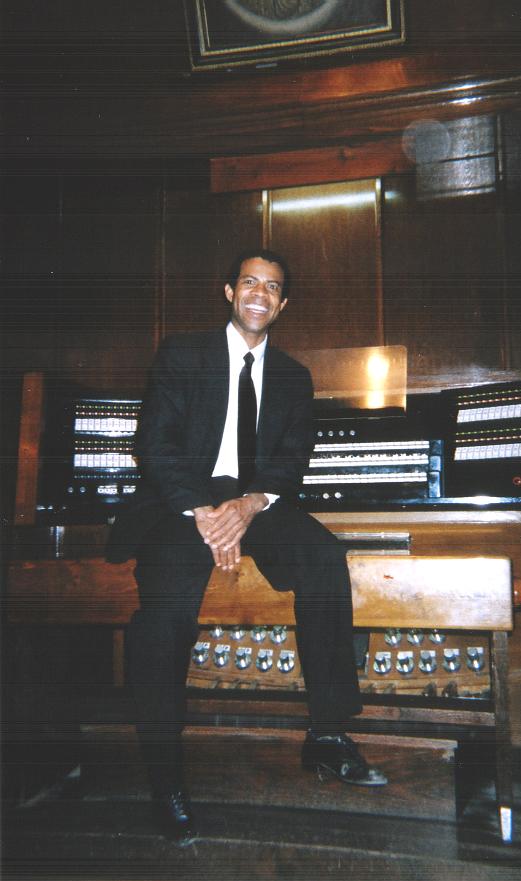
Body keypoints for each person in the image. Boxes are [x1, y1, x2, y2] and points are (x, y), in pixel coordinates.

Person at [106, 248, 387, 845]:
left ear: (283, 304)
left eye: (273, 287)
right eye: (250, 282)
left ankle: (327, 732)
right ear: (230, 292)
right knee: (163, 611)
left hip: (254, 504)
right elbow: (154, 444)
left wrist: (251, 503)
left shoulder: (293, 376)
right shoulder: (184, 354)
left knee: (324, 558)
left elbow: (292, 460)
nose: (260, 293)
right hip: (183, 504)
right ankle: (165, 776)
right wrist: (205, 512)